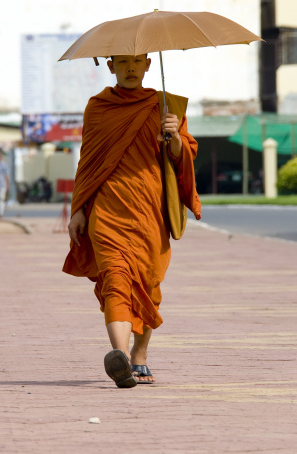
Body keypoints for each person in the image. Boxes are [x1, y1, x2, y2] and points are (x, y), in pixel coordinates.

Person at [63, 54, 201, 388]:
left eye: (136, 62)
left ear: (148, 65)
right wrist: (78, 208)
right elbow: (89, 160)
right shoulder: (98, 107)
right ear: (110, 66)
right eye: (122, 62)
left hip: (150, 212)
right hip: (107, 212)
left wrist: (176, 139)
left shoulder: (165, 106)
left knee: (148, 285)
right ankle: (120, 357)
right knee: (116, 280)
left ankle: (139, 356)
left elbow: (183, 158)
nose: (129, 68)